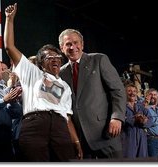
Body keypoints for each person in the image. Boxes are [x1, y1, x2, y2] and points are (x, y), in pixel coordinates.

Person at [4, 3, 82, 161]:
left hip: (60, 126)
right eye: (49, 57)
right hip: (35, 124)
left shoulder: (65, 86)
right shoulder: (33, 73)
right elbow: (9, 47)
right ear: (40, 63)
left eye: (57, 57)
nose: (55, 60)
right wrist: (9, 20)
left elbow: (67, 117)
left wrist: (76, 140)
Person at [59, 28, 126, 159]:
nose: (73, 47)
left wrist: (117, 117)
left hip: (106, 133)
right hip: (80, 139)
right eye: (68, 44)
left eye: (76, 42)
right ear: (62, 48)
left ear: (82, 44)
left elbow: (117, 90)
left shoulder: (99, 59)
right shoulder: (61, 73)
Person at [121, 83, 153, 158]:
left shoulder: (141, 106)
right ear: (124, 93)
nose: (132, 93)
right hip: (128, 137)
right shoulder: (122, 106)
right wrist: (134, 119)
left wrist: (144, 122)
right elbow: (121, 118)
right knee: (129, 159)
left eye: (134, 91)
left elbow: (151, 119)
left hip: (142, 136)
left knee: (142, 160)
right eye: (129, 91)